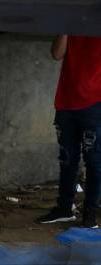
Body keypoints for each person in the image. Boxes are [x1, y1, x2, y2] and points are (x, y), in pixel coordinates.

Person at [37, 35, 101, 229]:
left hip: (95, 102)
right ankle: (64, 208)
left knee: (94, 161)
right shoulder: (73, 23)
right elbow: (57, 54)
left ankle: (90, 214)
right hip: (67, 102)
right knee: (67, 159)